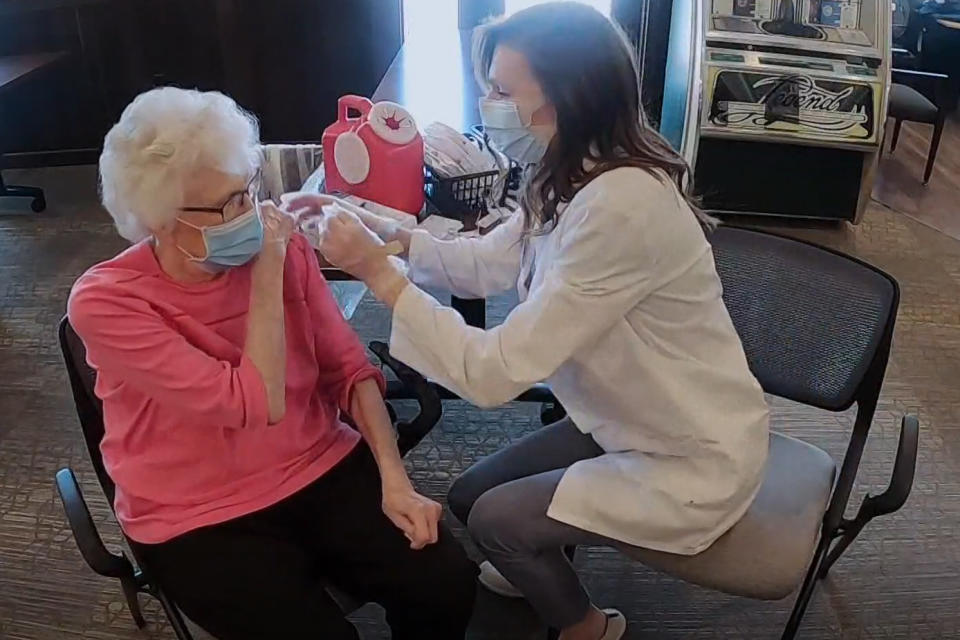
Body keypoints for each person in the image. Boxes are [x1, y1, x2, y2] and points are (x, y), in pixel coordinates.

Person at [290, 4, 771, 640]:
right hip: (625, 414)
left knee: (494, 522)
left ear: (568, 94)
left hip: (688, 451)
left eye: (503, 89)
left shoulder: (623, 207)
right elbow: (487, 261)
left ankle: (589, 627)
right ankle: (533, 559)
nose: (488, 102)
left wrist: (378, 276)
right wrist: (383, 230)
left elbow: (493, 376)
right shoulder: (572, 170)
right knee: (468, 496)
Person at [67, 87, 477, 640]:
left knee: (447, 582)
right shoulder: (107, 302)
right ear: (159, 221)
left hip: (317, 463)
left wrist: (395, 479)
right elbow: (253, 401)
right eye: (226, 205)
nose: (250, 213)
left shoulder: (283, 248)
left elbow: (349, 369)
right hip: (194, 512)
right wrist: (266, 270)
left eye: (248, 191)